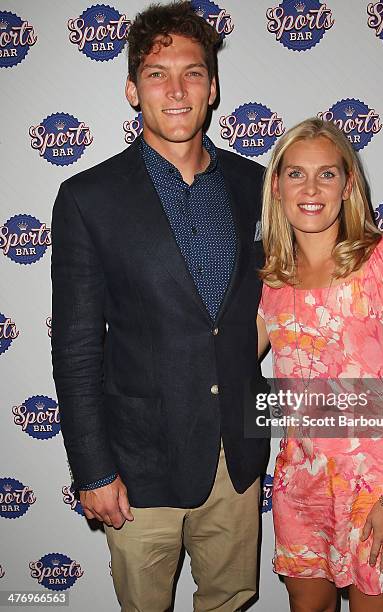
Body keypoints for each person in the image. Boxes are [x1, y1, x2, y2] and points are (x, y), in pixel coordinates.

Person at [51, 3, 269, 611]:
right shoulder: (87, 198)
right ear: (132, 89)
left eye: (192, 72)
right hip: (137, 463)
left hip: (236, 457)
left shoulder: (259, 186)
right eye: (156, 73)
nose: (176, 90)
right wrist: (93, 469)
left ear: (214, 86)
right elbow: (74, 347)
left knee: (229, 600)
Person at [256, 118, 383, 612]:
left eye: (326, 174)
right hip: (302, 489)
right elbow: (218, 362)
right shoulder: (271, 281)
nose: (311, 188)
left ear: (347, 185)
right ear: (277, 186)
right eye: (296, 174)